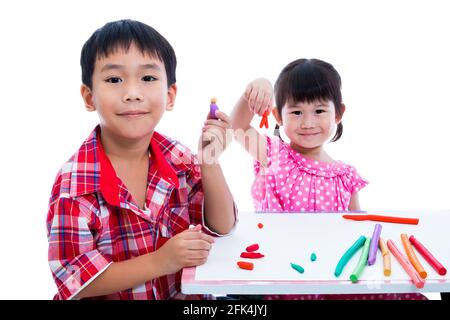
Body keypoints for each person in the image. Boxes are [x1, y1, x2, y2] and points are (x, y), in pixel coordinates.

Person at [46, 19, 236, 300]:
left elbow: (222, 226)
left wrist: (209, 163)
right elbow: (76, 282)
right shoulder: (75, 184)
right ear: (89, 97)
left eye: (148, 78)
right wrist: (162, 261)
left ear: (170, 95)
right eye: (114, 80)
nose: (132, 94)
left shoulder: (179, 158)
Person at [230, 58, 425, 300]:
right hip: (282, 275)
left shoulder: (346, 176)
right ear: (279, 116)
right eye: (296, 111)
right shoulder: (273, 154)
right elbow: (236, 126)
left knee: (411, 296)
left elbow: (360, 231)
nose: (308, 122)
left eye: (319, 111)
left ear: (338, 113)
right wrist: (256, 88)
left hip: (335, 278)